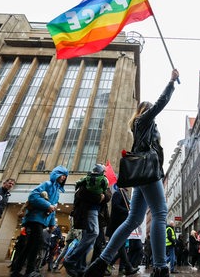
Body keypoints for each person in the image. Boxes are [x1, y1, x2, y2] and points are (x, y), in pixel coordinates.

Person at [84, 69, 180, 277]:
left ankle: (102, 262)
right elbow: (160, 104)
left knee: (134, 220)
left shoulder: (142, 127)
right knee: (160, 215)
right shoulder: (143, 121)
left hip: (141, 177)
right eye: (149, 111)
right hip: (148, 174)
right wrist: (171, 82)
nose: (153, 114)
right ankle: (161, 266)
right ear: (144, 111)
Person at [10, 165, 68, 277]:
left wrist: (52, 224)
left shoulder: (56, 190)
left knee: (31, 245)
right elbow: (33, 196)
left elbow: (53, 208)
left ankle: (17, 270)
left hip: (41, 220)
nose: (64, 178)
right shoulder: (47, 184)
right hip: (34, 218)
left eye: (65, 176)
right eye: (62, 175)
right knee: (37, 243)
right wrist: (48, 205)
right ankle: (30, 270)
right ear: (56, 174)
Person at [64, 164, 111, 277]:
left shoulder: (104, 182)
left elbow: (108, 195)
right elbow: (82, 194)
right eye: (103, 171)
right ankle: (70, 260)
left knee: (89, 242)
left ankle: (80, 268)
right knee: (92, 235)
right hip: (88, 213)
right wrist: (100, 198)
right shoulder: (87, 180)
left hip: (99, 216)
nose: (104, 173)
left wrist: (104, 196)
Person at [105, 184, 139, 276]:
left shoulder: (124, 195)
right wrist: (127, 211)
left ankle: (125, 267)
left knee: (120, 247)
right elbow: (115, 206)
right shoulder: (118, 193)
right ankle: (127, 267)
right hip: (116, 225)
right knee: (119, 247)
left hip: (120, 225)